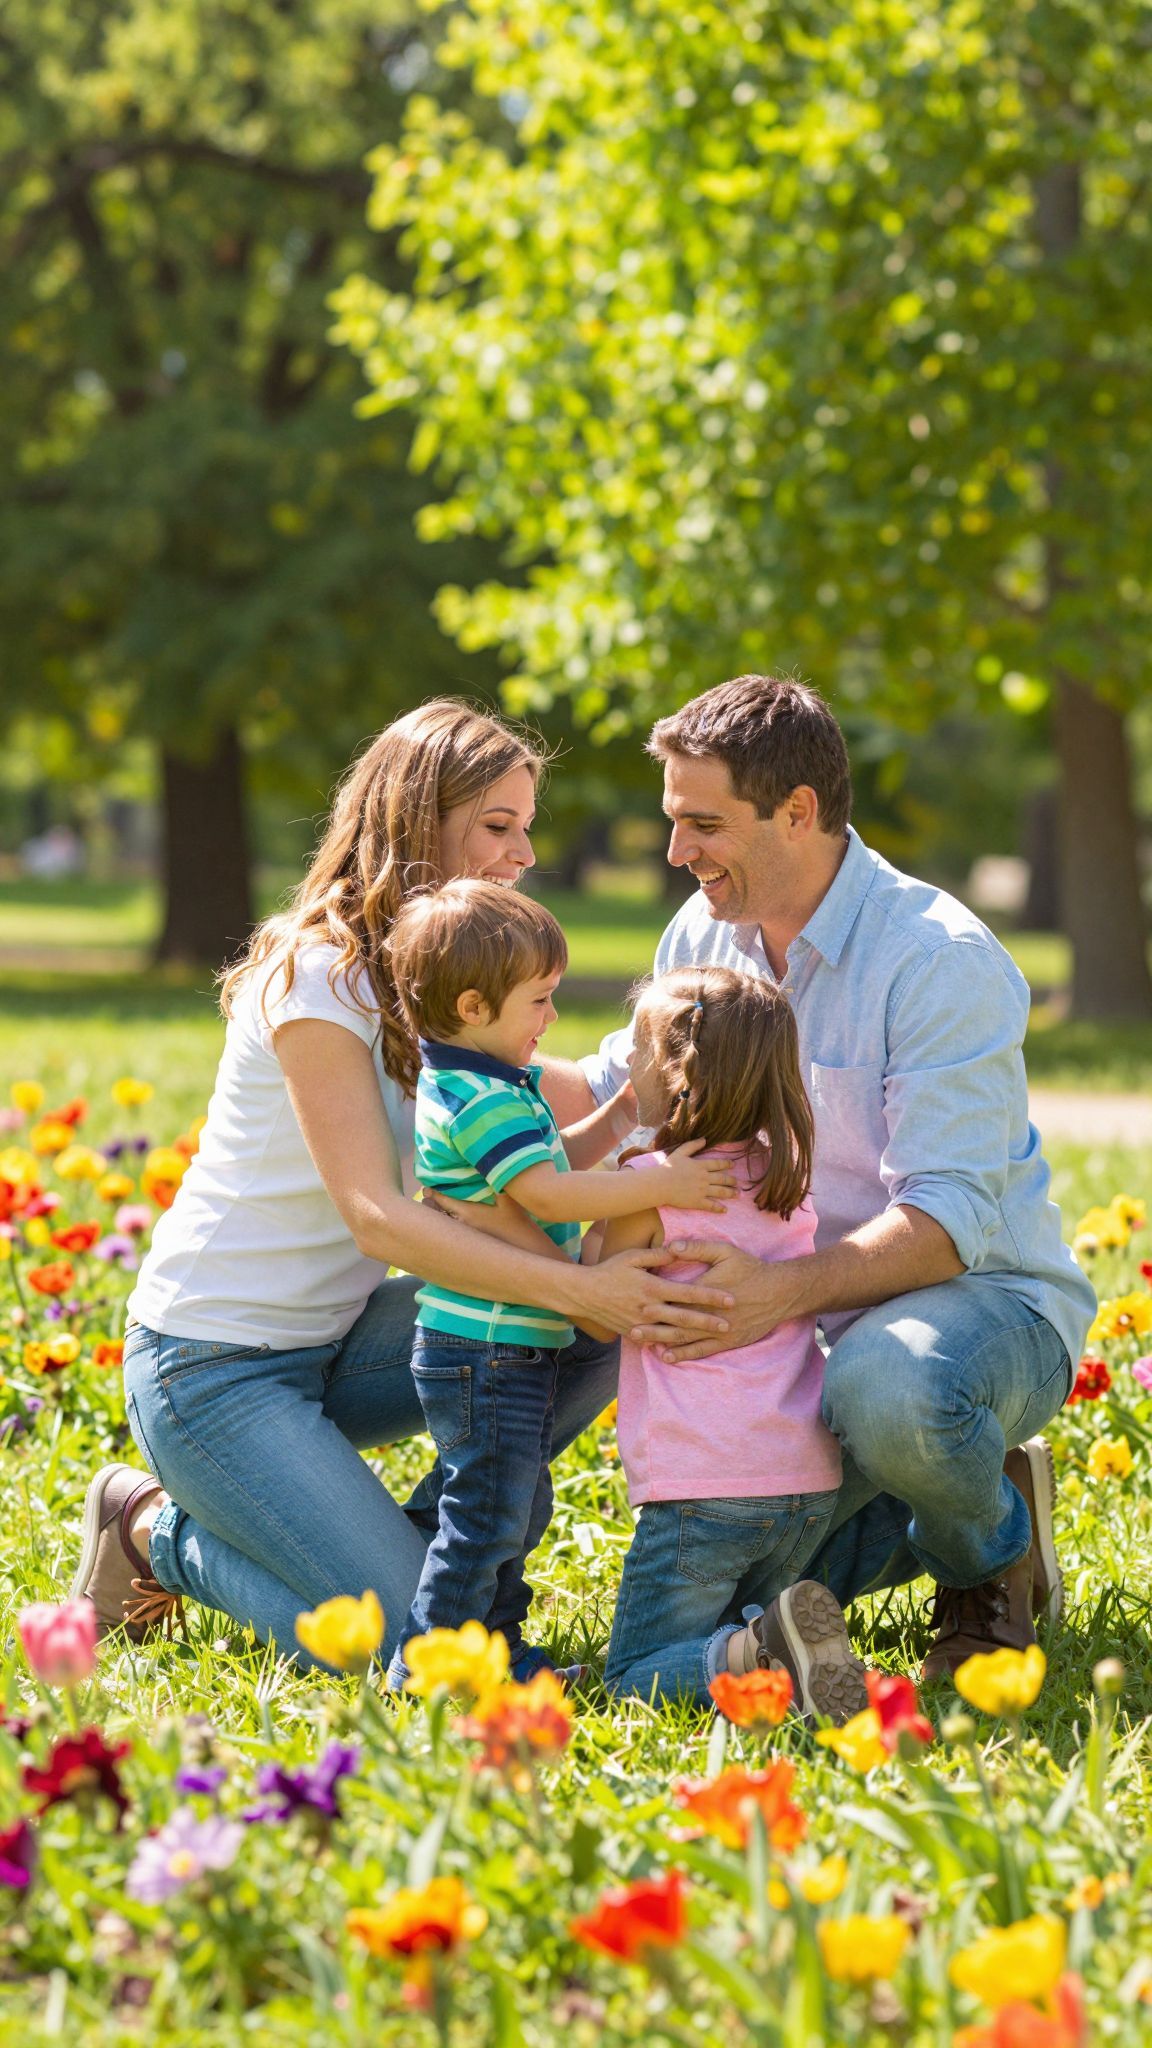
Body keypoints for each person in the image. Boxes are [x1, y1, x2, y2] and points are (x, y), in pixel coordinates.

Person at [69, 701, 734, 1670]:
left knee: (596, 1332)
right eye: (497, 826)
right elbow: (376, 1217)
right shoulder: (320, 974)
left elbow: (588, 1097)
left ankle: (434, 1558)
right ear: (417, 820)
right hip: (211, 1370)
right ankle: (150, 1530)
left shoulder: (447, 982)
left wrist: (716, 1053)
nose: (522, 855)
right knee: (409, 1655)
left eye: (525, 827)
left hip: (339, 1345)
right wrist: (578, 1286)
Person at [542, 675, 1096, 1682]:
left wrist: (776, 1295)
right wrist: (449, 1070)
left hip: (976, 1307)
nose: (676, 852)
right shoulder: (700, 933)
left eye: (704, 824)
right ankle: (942, 1490)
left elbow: (945, 1221)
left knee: (887, 1387)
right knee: (749, 1588)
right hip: (799, 1327)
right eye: (673, 820)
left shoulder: (936, 959)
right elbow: (621, 1087)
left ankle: (990, 1554)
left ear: (797, 811)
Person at [381, 881, 736, 1690]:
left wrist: (620, 1115)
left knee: (513, 1506)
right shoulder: (476, 1097)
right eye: (538, 1000)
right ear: (473, 1007)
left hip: (506, 1342)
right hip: (485, 1346)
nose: (551, 1017)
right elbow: (546, 1195)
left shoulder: (492, 1083)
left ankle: (496, 1649)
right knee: (487, 1516)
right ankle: (426, 1666)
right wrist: (661, 1184)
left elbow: (548, 1163)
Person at [600, 966, 866, 1720]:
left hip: (702, 1485)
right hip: (804, 1480)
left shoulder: (651, 1185)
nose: (627, 1061)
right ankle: (771, 1647)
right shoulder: (786, 1177)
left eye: (638, 1049)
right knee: (729, 1620)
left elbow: (595, 1308)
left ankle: (758, 1656)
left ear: (677, 1075)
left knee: (634, 1676)